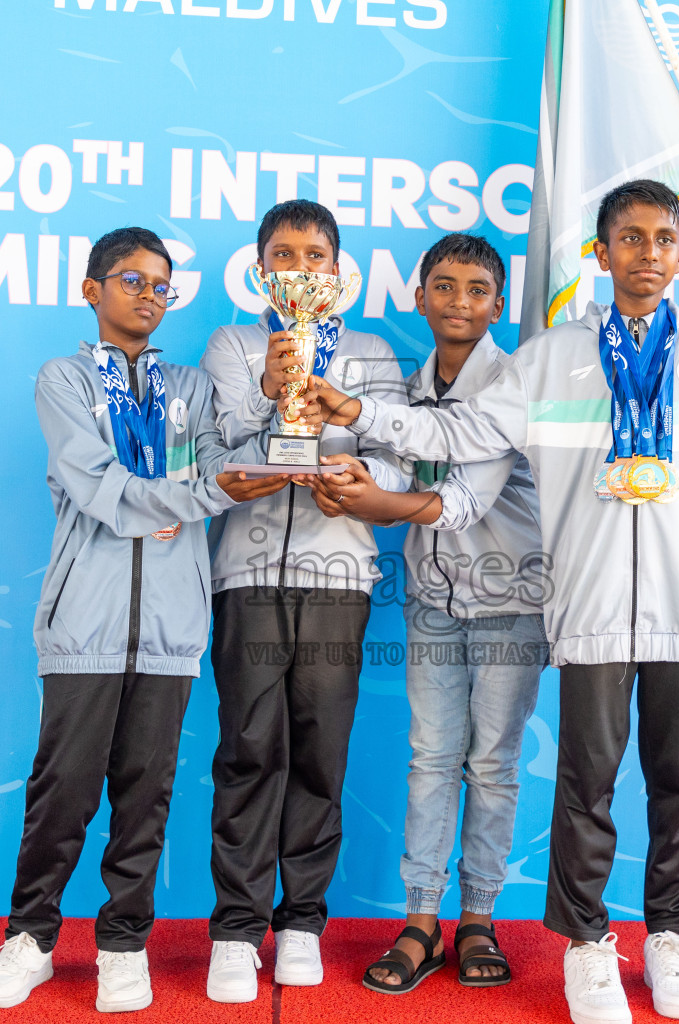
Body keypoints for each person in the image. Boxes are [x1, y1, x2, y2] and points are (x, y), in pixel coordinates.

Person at [302, 180, 679, 1024]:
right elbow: (460, 434)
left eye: (664, 238)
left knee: (677, 780)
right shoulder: (552, 356)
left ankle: (671, 936)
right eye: (630, 237)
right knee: (584, 784)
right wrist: (362, 411)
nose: (647, 252)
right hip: (586, 608)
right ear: (601, 252)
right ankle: (588, 945)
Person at [0, 227, 288, 1013]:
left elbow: (217, 459)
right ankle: (31, 938)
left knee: (146, 792)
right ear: (92, 290)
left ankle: (122, 943)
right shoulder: (65, 380)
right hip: (85, 622)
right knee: (64, 791)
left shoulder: (190, 386)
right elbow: (100, 489)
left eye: (161, 285)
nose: (149, 296)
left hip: (173, 626)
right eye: (132, 281)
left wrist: (279, 416)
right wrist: (204, 494)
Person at [306, 233, 549, 993]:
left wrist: (378, 496)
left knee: (492, 763)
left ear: (499, 305)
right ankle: (420, 918)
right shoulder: (410, 389)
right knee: (431, 757)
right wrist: (354, 471)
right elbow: (401, 460)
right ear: (419, 297)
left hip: (512, 603)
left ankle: (477, 916)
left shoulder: (514, 385)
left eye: (477, 289)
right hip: (434, 602)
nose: (459, 302)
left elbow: (461, 498)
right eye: (443, 287)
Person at [197, 199, 409, 1003]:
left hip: (338, 578)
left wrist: (357, 490)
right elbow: (220, 451)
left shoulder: (371, 351)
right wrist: (268, 390)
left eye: (315, 254)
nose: (301, 267)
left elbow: (398, 462)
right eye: (284, 253)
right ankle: (237, 928)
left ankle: (301, 923)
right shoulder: (232, 343)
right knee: (249, 748)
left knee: (320, 752)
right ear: (261, 268)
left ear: (338, 267)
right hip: (247, 574)